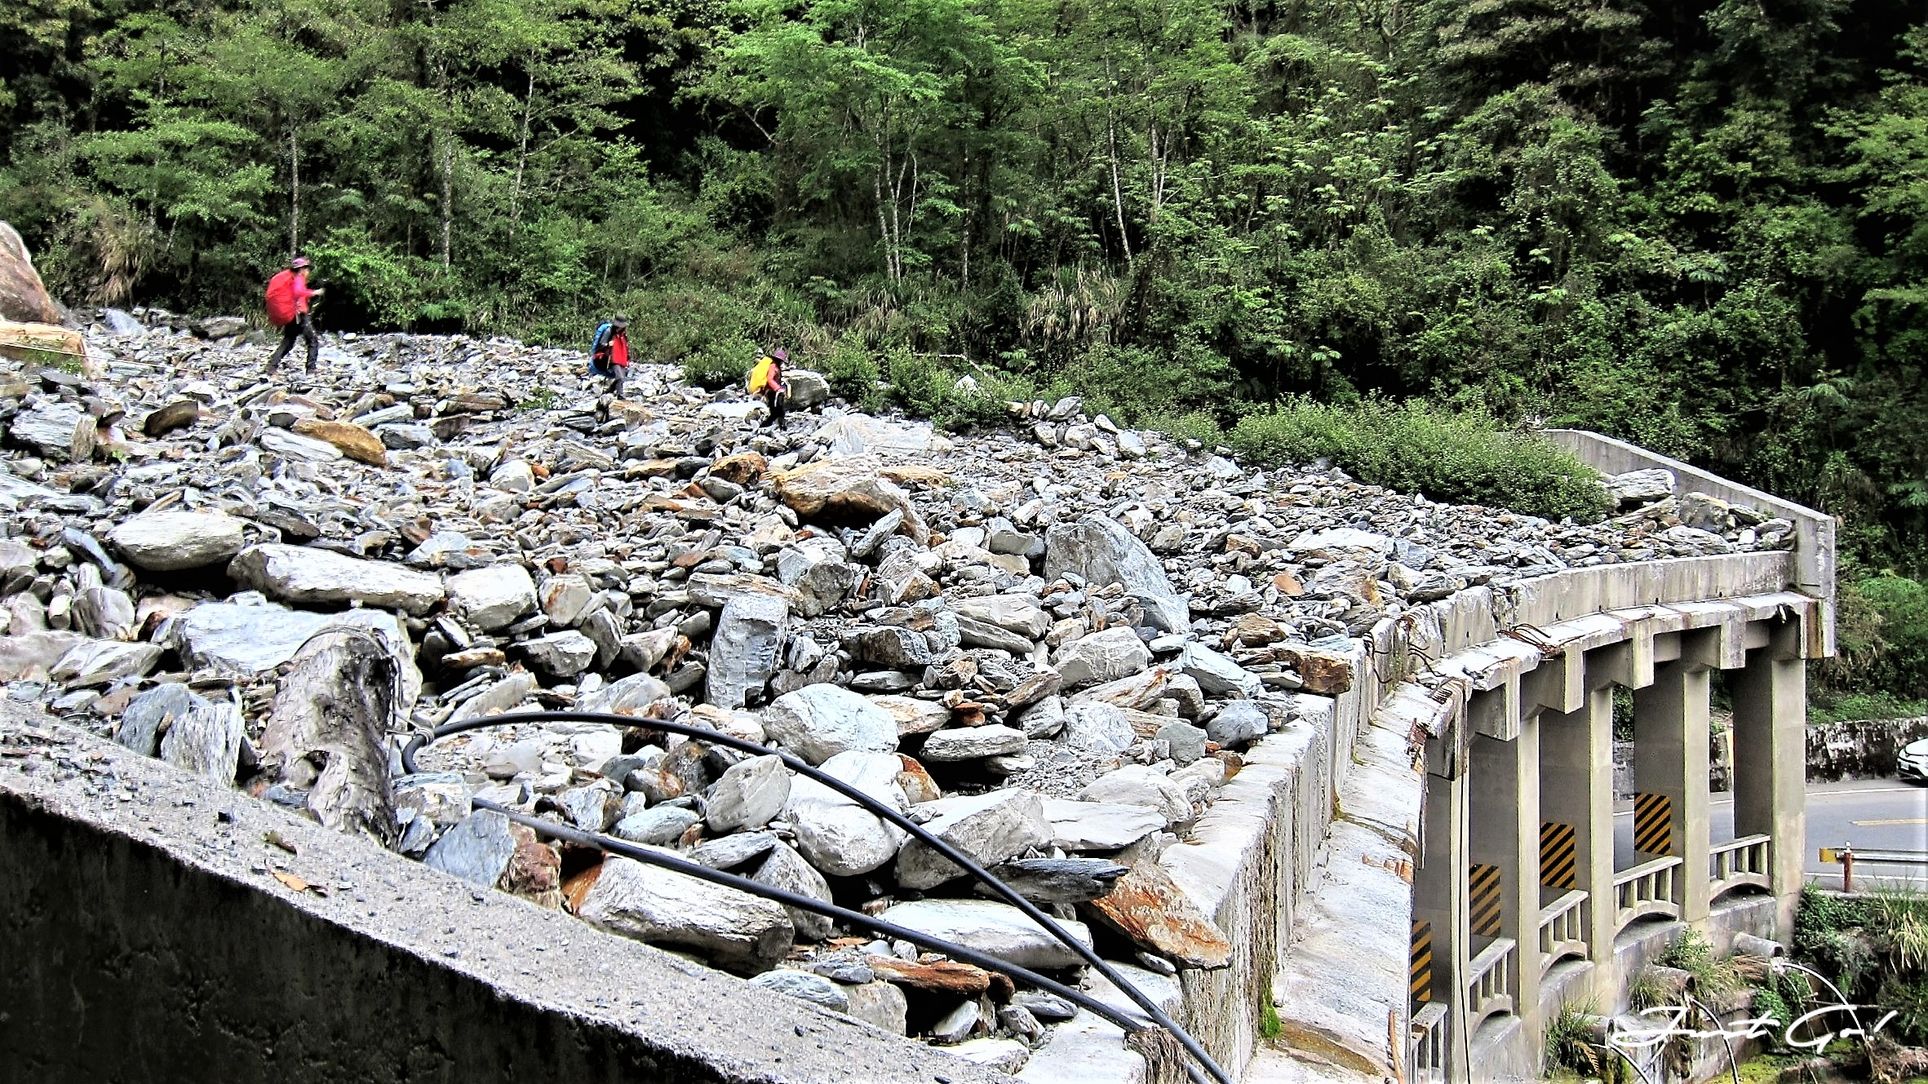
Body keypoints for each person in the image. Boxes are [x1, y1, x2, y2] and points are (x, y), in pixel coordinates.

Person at [264, 255, 322, 373]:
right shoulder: (298, 278)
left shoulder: (290, 278)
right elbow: (298, 291)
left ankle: (271, 367)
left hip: (291, 314)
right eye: (307, 269)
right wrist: (314, 292)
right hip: (299, 314)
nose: (308, 272)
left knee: (288, 342)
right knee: (312, 340)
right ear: (302, 269)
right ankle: (311, 369)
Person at [588, 315, 630, 398]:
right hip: (610, 358)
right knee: (620, 377)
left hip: (620, 358)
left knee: (623, 376)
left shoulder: (622, 334)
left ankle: (610, 391)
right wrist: (608, 344)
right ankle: (620, 395)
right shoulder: (608, 331)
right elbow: (601, 345)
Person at [748, 347, 788, 427]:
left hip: (774, 391)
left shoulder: (776, 366)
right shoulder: (773, 366)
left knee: (777, 411)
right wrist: (778, 389)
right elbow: (770, 379)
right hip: (771, 392)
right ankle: (770, 425)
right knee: (777, 411)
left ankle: (777, 425)